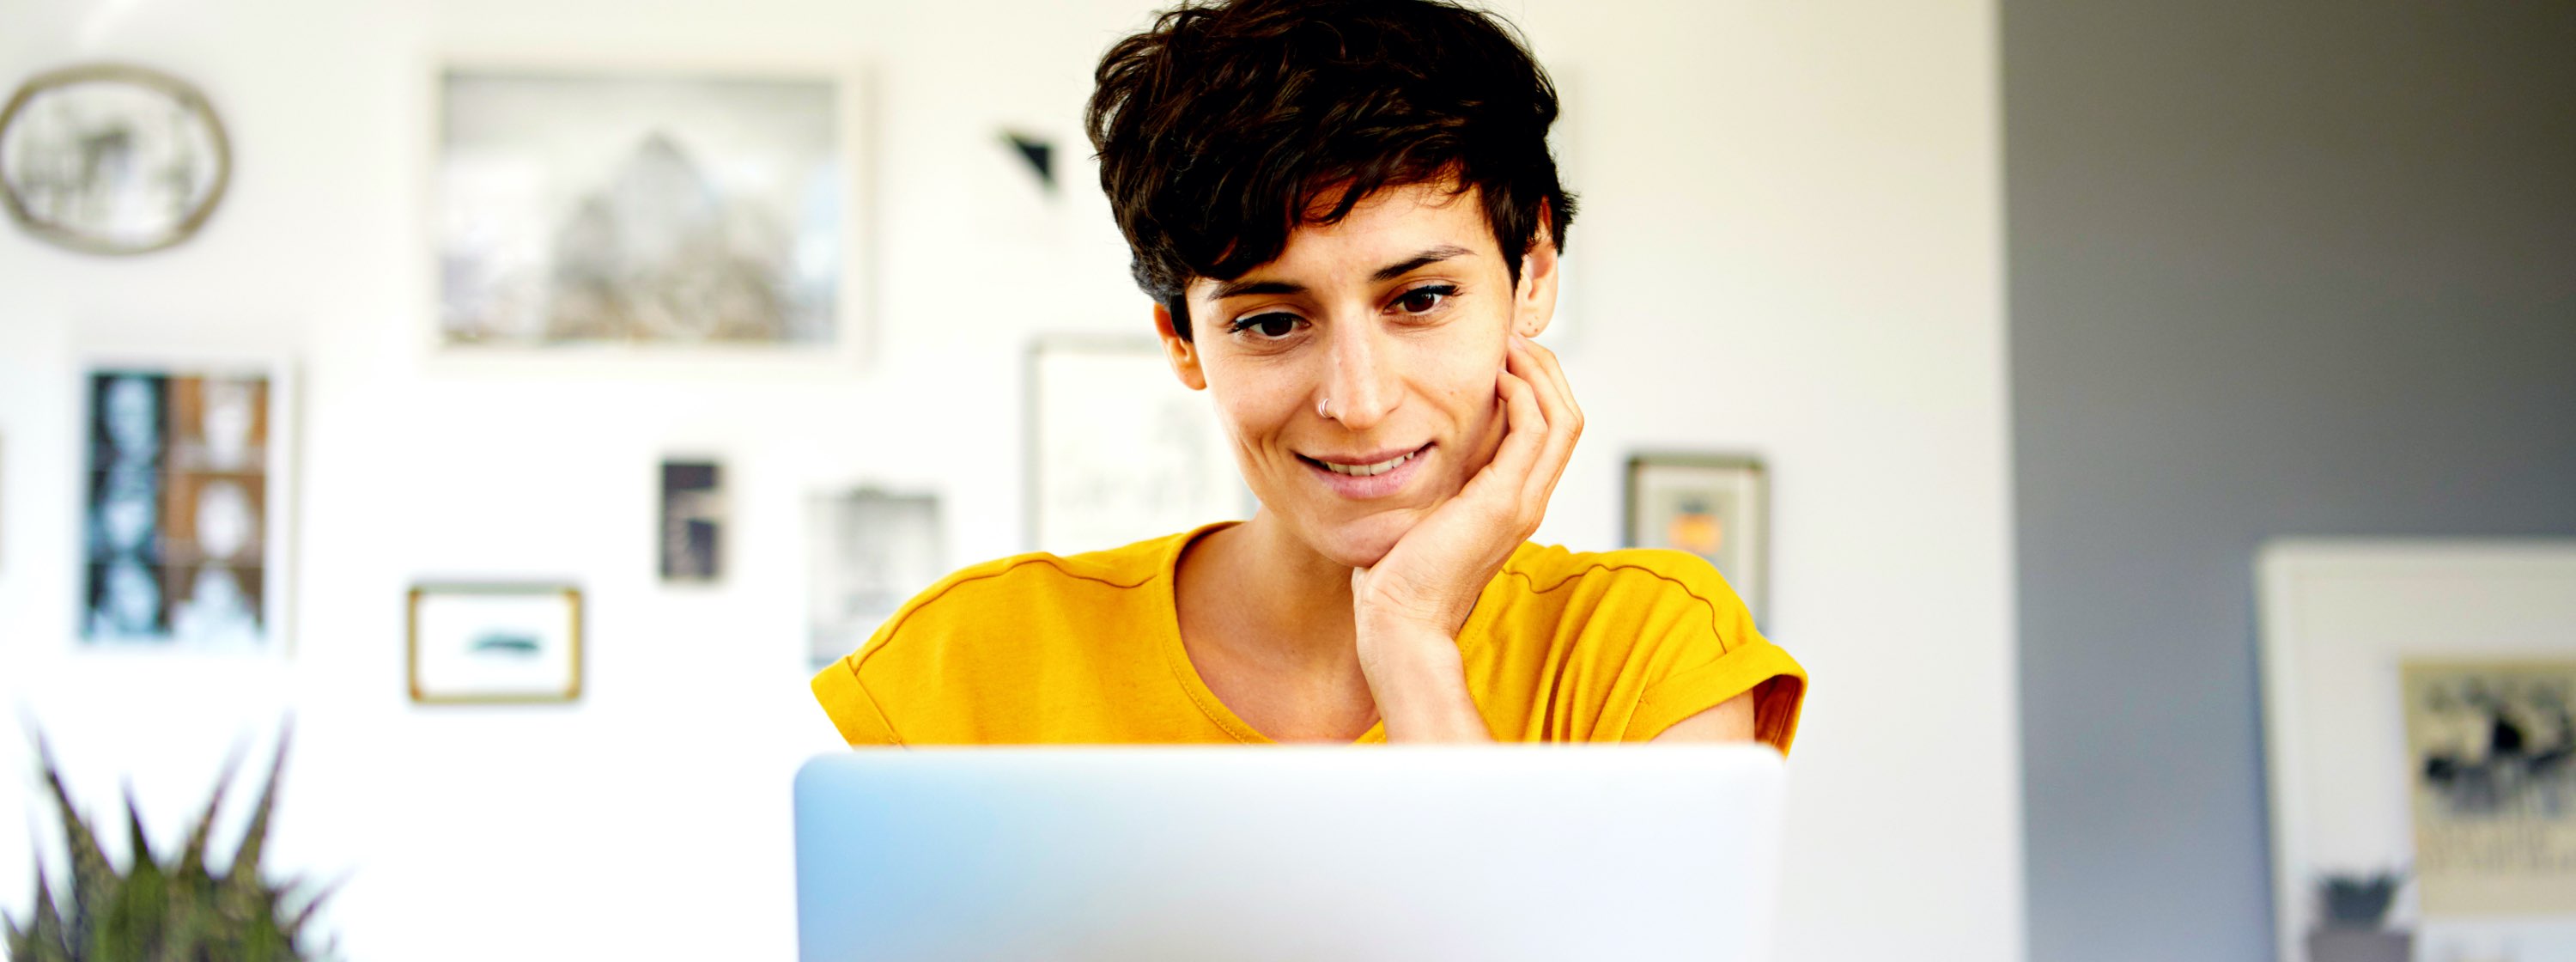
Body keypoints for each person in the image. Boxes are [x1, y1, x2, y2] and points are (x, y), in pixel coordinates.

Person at [811, 0, 1806, 746]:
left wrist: (1412, 643)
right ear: (1181, 338)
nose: (1360, 401)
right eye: (1274, 320)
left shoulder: (1646, 651)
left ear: (1532, 272)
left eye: (1419, 299)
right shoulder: (968, 660)